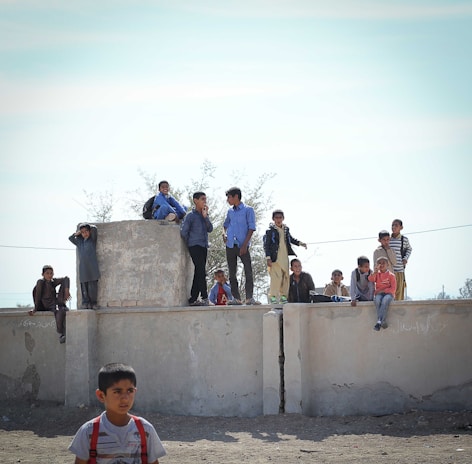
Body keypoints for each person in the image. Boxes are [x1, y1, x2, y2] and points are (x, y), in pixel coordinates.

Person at [69, 363, 166, 464]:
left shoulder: (145, 429)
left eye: (130, 391)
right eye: (117, 391)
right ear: (101, 396)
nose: (125, 398)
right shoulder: (88, 431)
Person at [223, 187, 260, 305]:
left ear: (236, 197)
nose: (228, 200)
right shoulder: (230, 212)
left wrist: (245, 245)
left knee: (248, 270)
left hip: (242, 245)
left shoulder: (248, 210)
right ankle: (236, 298)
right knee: (232, 272)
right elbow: (225, 225)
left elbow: (251, 228)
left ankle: (249, 298)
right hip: (230, 245)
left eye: (229, 197)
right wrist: (224, 234)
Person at [263, 209, 307, 304]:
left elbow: (290, 239)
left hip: (284, 257)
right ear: (273, 219)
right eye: (276, 218)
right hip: (275, 258)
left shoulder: (286, 230)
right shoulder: (270, 231)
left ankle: (283, 297)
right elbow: (266, 245)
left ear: (283, 218)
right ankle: (273, 297)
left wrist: (300, 243)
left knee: (285, 277)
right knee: (276, 278)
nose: (278, 220)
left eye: (280, 217)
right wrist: (268, 258)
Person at [180, 191, 213, 306]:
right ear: (195, 200)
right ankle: (204, 297)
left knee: (199, 272)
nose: (205, 201)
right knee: (201, 271)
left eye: (205, 199)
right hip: (194, 246)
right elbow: (184, 232)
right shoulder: (190, 215)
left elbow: (210, 229)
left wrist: (206, 217)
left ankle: (193, 298)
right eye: (202, 199)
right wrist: (190, 242)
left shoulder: (204, 215)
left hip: (203, 245)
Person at [29, 265, 70, 343]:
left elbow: (66, 279)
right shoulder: (40, 282)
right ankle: (61, 333)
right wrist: (35, 308)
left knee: (61, 308)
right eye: (47, 273)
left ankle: (62, 304)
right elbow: (37, 296)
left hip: (55, 302)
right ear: (43, 274)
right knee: (58, 311)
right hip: (47, 305)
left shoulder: (52, 282)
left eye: (51, 273)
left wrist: (66, 291)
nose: (49, 275)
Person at [69, 222, 100, 309]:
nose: (85, 233)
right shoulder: (79, 242)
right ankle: (86, 303)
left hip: (92, 267)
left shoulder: (92, 240)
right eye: (82, 232)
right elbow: (70, 238)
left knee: (93, 286)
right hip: (83, 268)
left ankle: (93, 303)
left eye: (86, 231)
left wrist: (87, 227)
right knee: (84, 286)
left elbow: (94, 229)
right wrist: (77, 233)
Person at [368, 256, 397, 331]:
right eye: (379, 263)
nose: (381, 265)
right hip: (379, 294)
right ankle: (382, 321)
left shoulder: (391, 276)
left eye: (383, 263)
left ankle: (379, 321)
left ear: (388, 265)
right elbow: (370, 279)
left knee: (384, 301)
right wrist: (375, 272)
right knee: (377, 300)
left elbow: (393, 289)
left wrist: (384, 291)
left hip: (389, 294)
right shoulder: (377, 274)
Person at [390, 219, 413, 301]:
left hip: (399, 271)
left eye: (396, 225)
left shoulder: (404, 240)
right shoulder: (388, 239)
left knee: (399, 294)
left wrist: (405, 258)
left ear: (401, 227)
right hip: (390, 271)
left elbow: (409, 249)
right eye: (392, 225)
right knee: (390, 294)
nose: (393, 227)